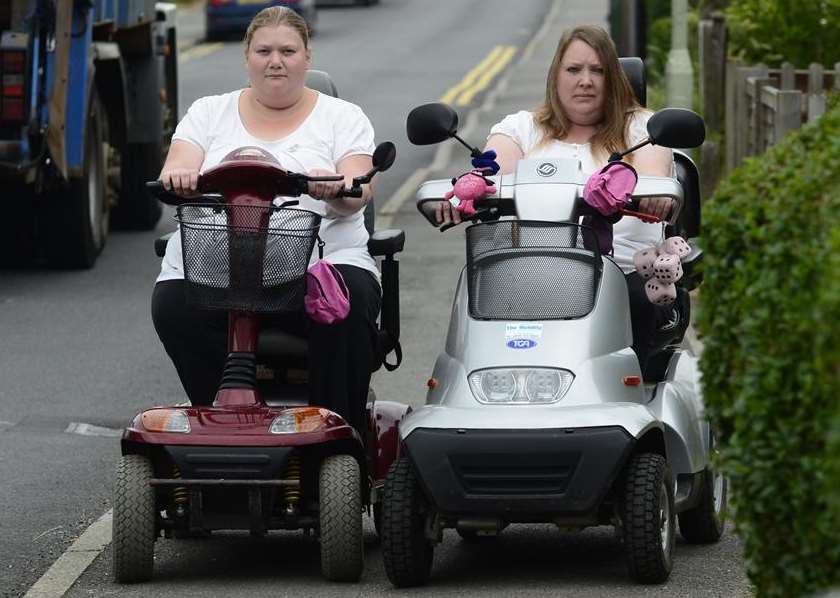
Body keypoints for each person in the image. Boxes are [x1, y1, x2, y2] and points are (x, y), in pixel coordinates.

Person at [151, 6, 381, 435]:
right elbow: (177, 165)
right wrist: (180, 177)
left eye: (288, 50)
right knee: (171, 306)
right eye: (264, 50)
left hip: (315, 267)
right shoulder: (208, 112)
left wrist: (336, 185)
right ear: (247, 57)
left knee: (351, 307)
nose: (276, 61)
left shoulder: (342, 117)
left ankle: (335, 433)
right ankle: (217, 420)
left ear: (307, 57)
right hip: (217, 265)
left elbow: (359, 181)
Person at [436, 25, 686, 369]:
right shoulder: (522, 128)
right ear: (556, 76)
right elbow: (491, 170)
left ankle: (625, 401)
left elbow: (652, 176)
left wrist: (652, 194)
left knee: (637, 303)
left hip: (623, 273)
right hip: (531, 271)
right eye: (574, 70)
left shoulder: (642, 128)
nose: (585, 80)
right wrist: (468, 189)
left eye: (597, 70)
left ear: (613, 78)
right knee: (477, 298)